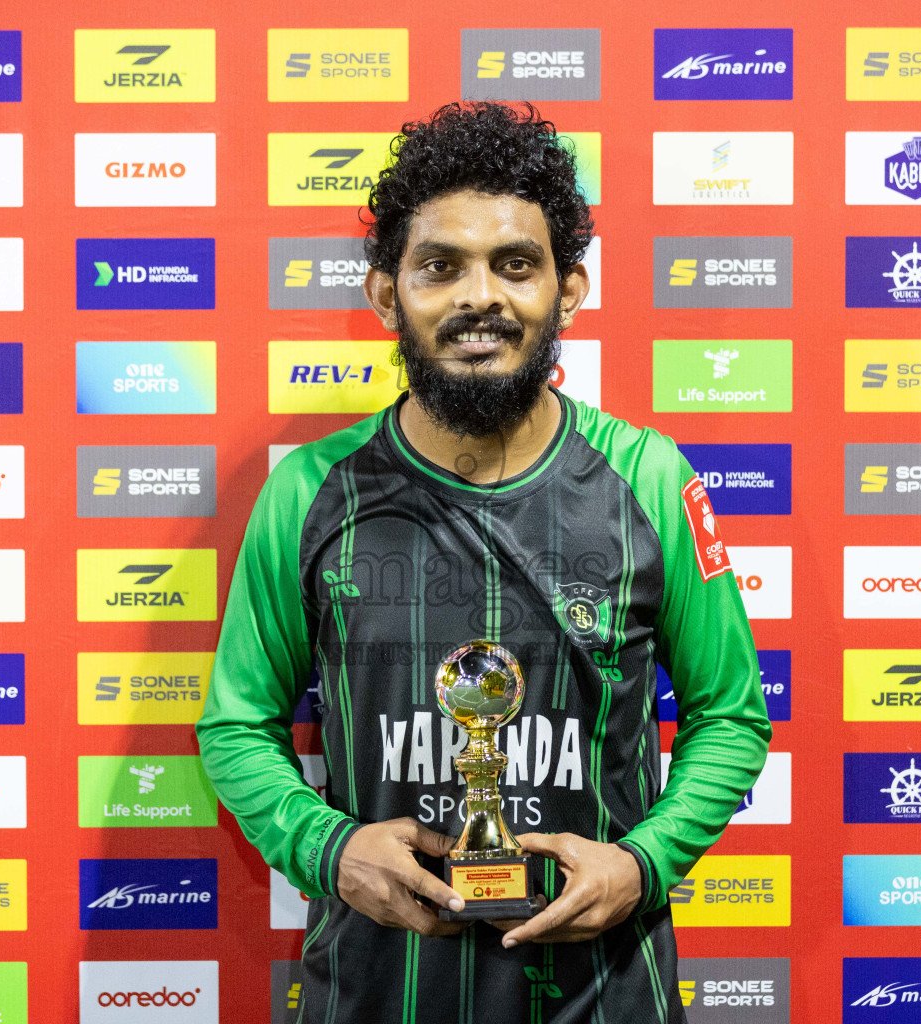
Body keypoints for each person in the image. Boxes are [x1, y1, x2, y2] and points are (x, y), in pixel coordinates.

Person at [196, 101, 771, 1024]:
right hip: (380, 993)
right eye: (440, 267)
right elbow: (235, 727)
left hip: (604, 996)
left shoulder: (648, 480)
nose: (480, 297)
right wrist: (330, 848)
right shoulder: (309, 491)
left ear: (569, 288)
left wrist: (642, 863)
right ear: (387, 295)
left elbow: (731, 716)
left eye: (515, 264)